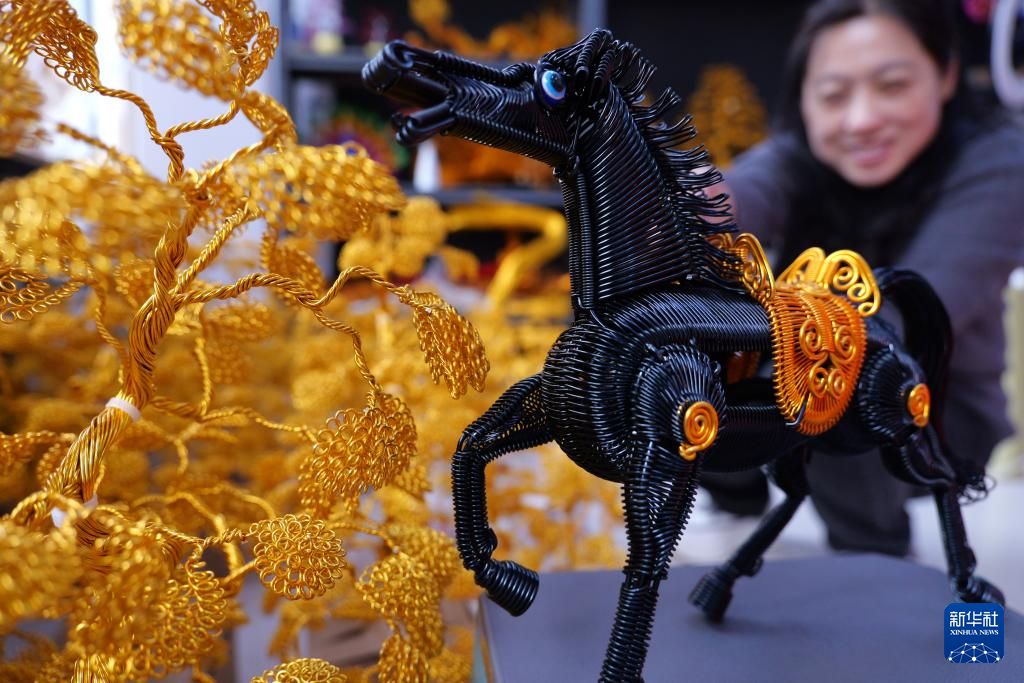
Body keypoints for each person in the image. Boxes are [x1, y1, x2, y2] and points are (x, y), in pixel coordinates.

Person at [704, 0, 1024, 556]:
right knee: (692, 349)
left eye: (892, 85)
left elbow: (921, 301)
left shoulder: (998, 162)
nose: (861, 119)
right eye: (833, 96)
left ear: (946, 74)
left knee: (843, 379)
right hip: (804, 353)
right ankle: (733, 500)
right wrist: (687, 211)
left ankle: (875, 559)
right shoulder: (799, 155)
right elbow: (742, 195)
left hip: (939, 409)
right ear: (804, 100)